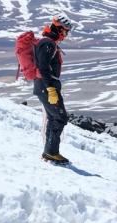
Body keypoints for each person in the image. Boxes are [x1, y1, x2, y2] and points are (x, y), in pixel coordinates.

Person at [34, 13, 73, 165]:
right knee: (60, 117)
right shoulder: (48, 43)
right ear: (58, 28)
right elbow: (43, 67)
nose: (66, 34)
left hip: (45, 86)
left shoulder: (48, 42)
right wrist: (51, 89)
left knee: (54, 117)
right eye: (65, 31)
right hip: (47, 87)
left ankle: (50, 151)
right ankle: (51, 152)